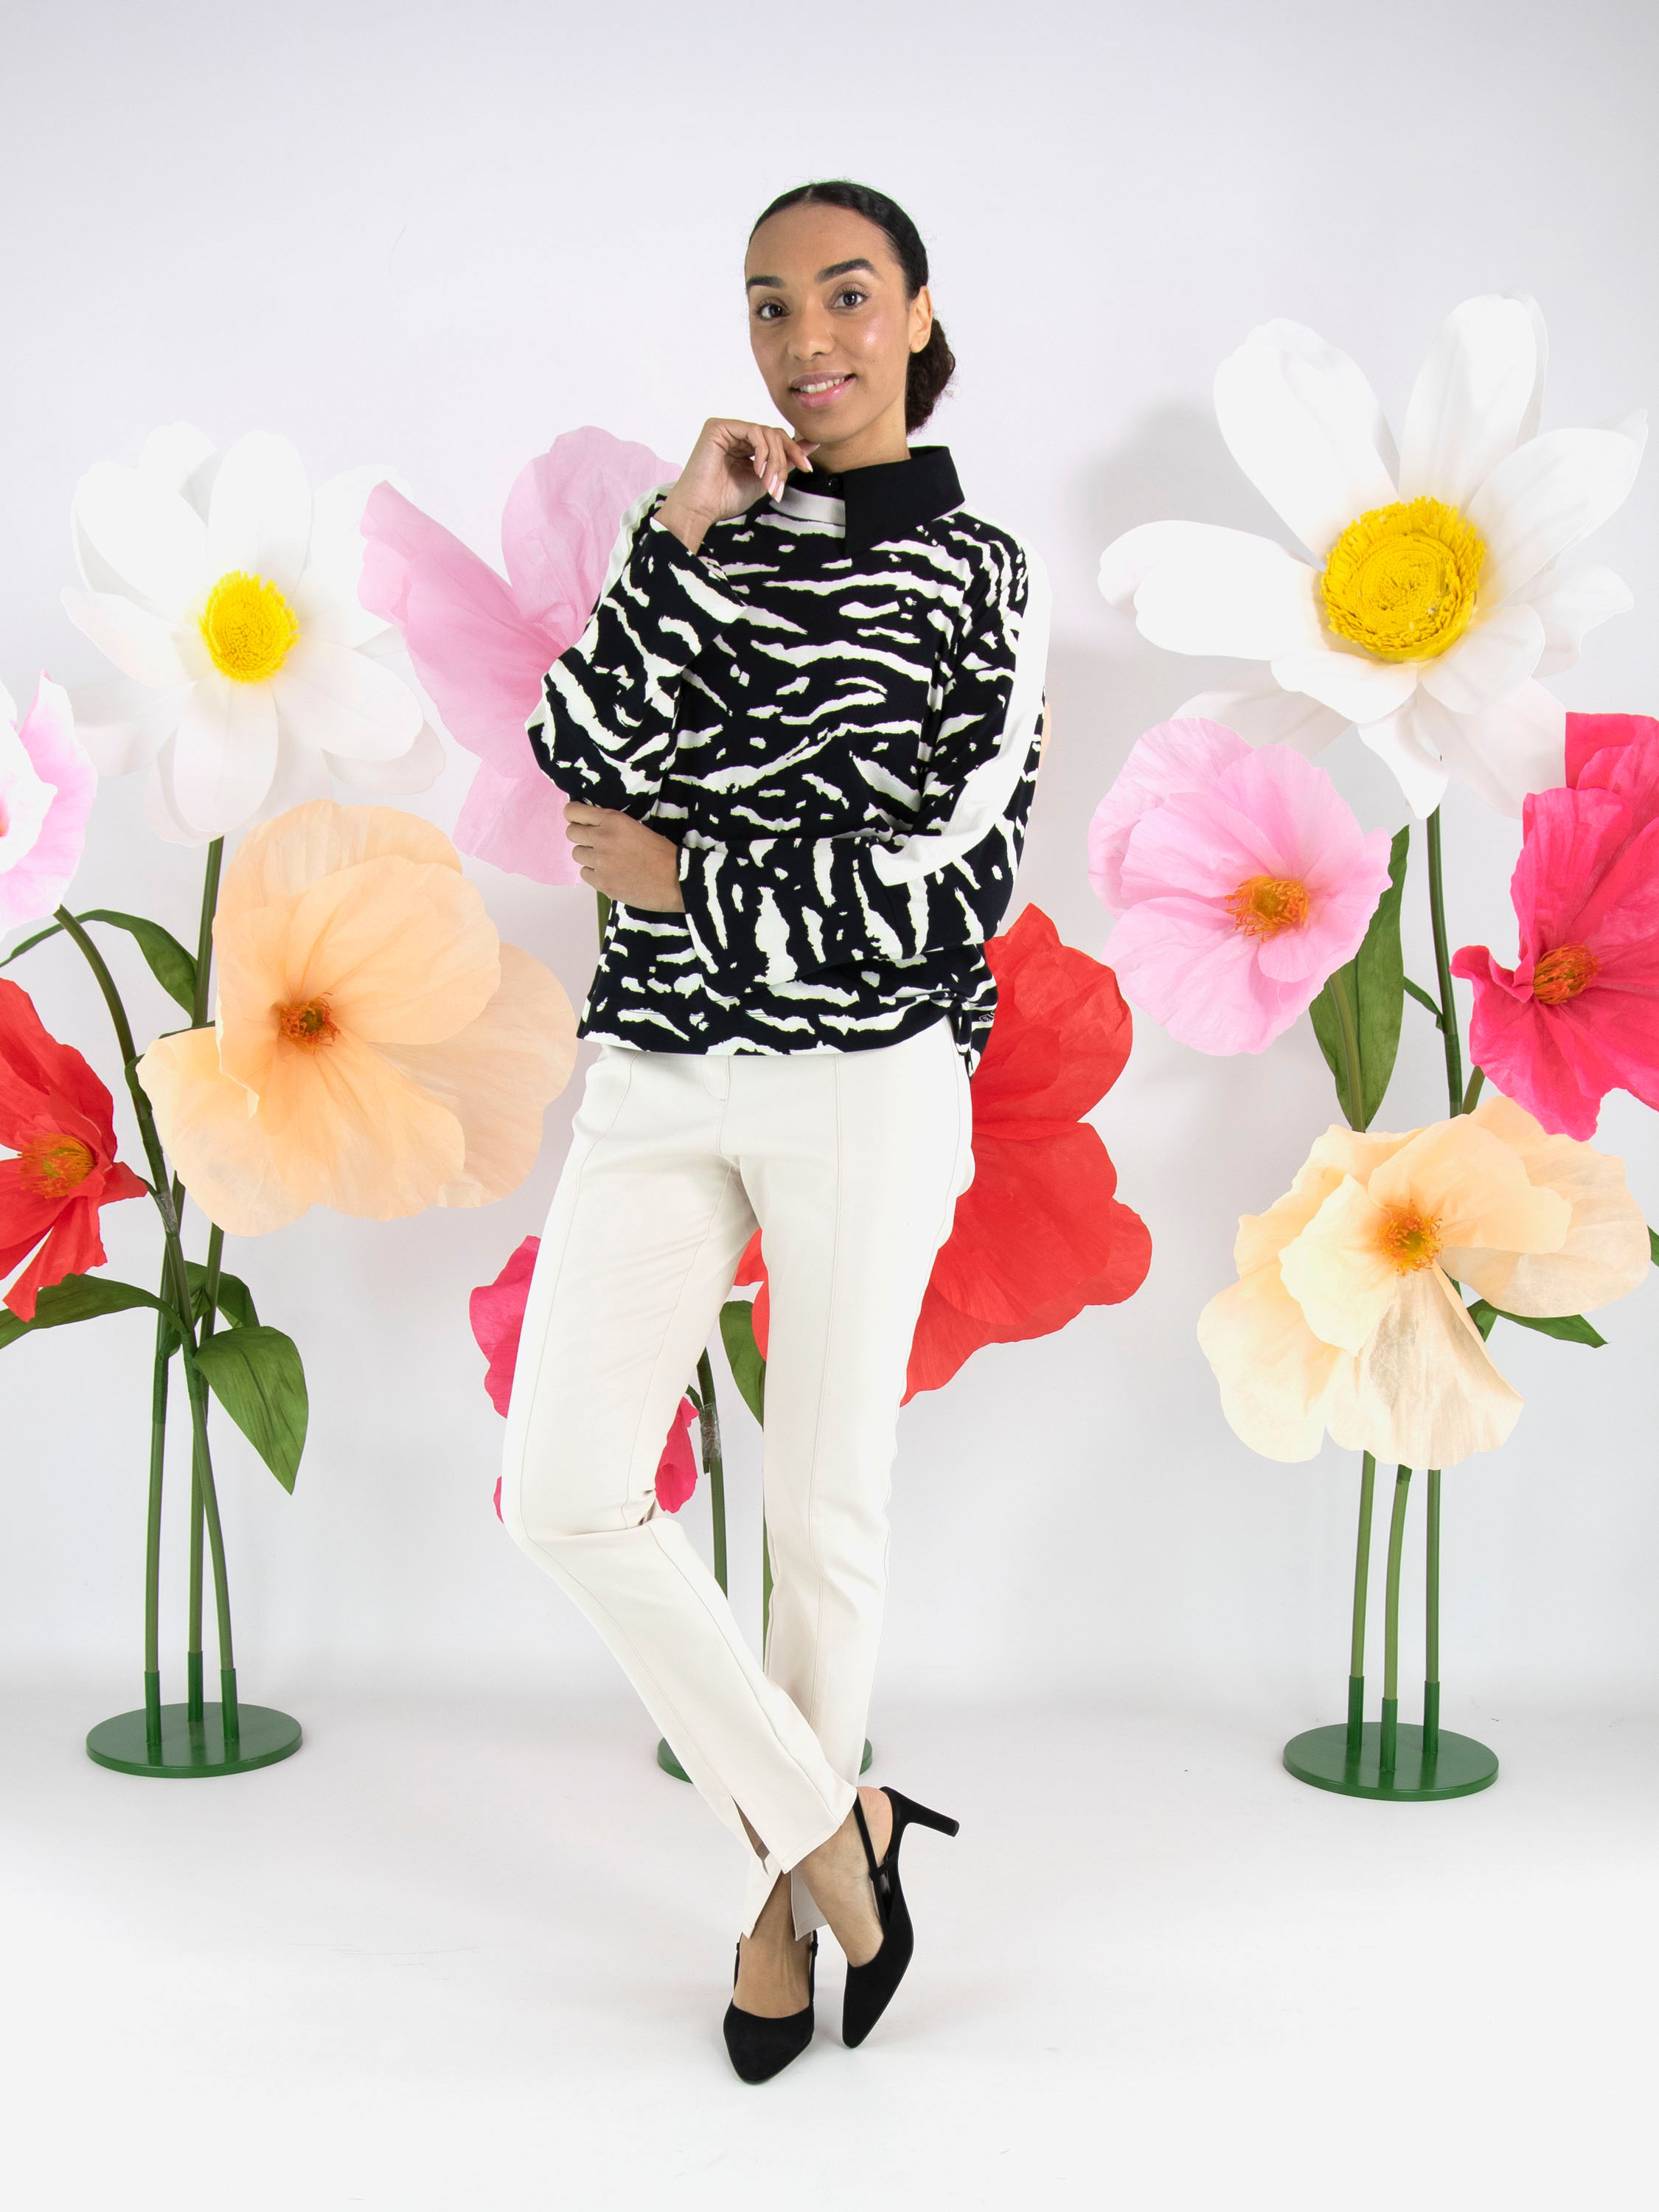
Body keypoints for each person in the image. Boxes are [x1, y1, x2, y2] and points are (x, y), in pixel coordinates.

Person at [498, 178, 1051, 2082]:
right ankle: (834, 1834)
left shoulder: (981, 576)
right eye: (768, 305)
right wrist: (674, 531)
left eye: (845, 295)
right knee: (564, 1490)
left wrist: (693, 874)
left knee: (821, 1517)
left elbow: (949, 886)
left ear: (916, 312)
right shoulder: (704, 544)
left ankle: (766, 1919)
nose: (806, 340)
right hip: (660, 1071)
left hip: (862, 1077)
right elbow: (580, 757)